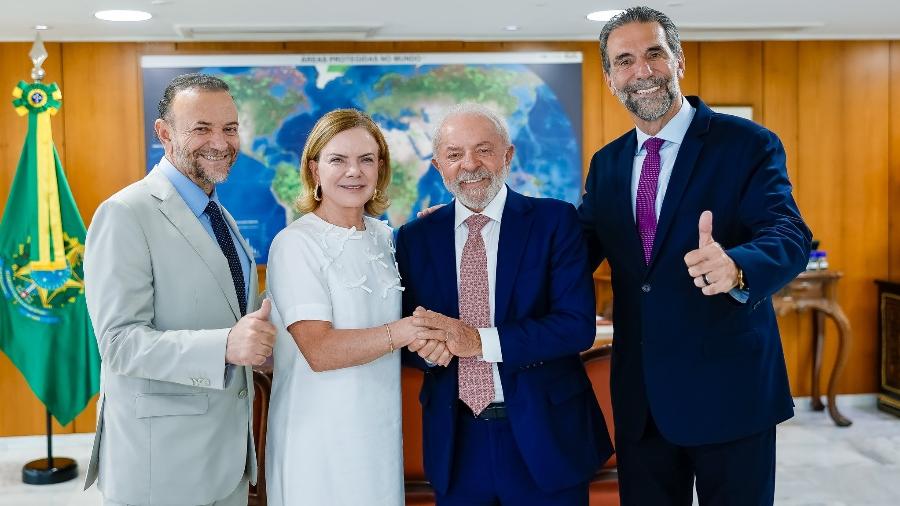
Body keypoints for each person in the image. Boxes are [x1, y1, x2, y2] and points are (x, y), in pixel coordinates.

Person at [579, 7, 812, 506]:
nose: (642, 70)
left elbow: (789, 233)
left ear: (679, 60)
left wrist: (738, 265)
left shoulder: (746, 144)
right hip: (642, 404)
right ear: (610, 78)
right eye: (625, 60)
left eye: (654, 53)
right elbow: (574, 248)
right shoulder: (608, 163)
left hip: (731, 394)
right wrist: (477, 226)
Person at [396, 104, 613, 505]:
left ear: (508, 155)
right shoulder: (415, 238)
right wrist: (425, 349)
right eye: (455, 154)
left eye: (483, 150)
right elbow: (409, 333)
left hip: (546, 437)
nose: (470, 164)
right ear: (438, 165)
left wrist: (478, 341)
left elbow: (575, 327)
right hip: (456, 442)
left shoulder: (554, 221)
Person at [84, 73, 276, 506]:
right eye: (202, 128)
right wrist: (225, 346)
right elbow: (119, 344)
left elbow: (230, 311)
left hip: (225, 457)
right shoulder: (124, 214)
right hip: (161, 466)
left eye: (229, 128)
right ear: (164, 133)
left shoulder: (219, 215)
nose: (221, 142)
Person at [264, 108, 436, 505]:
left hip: (378, 433)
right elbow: (319, 351)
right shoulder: (296, 244)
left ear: (380, 168)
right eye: (338, 159)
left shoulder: (385, 238)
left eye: (366, 159)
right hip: (317, 438)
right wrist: (405, 331)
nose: (353, 171)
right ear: (314, 168)